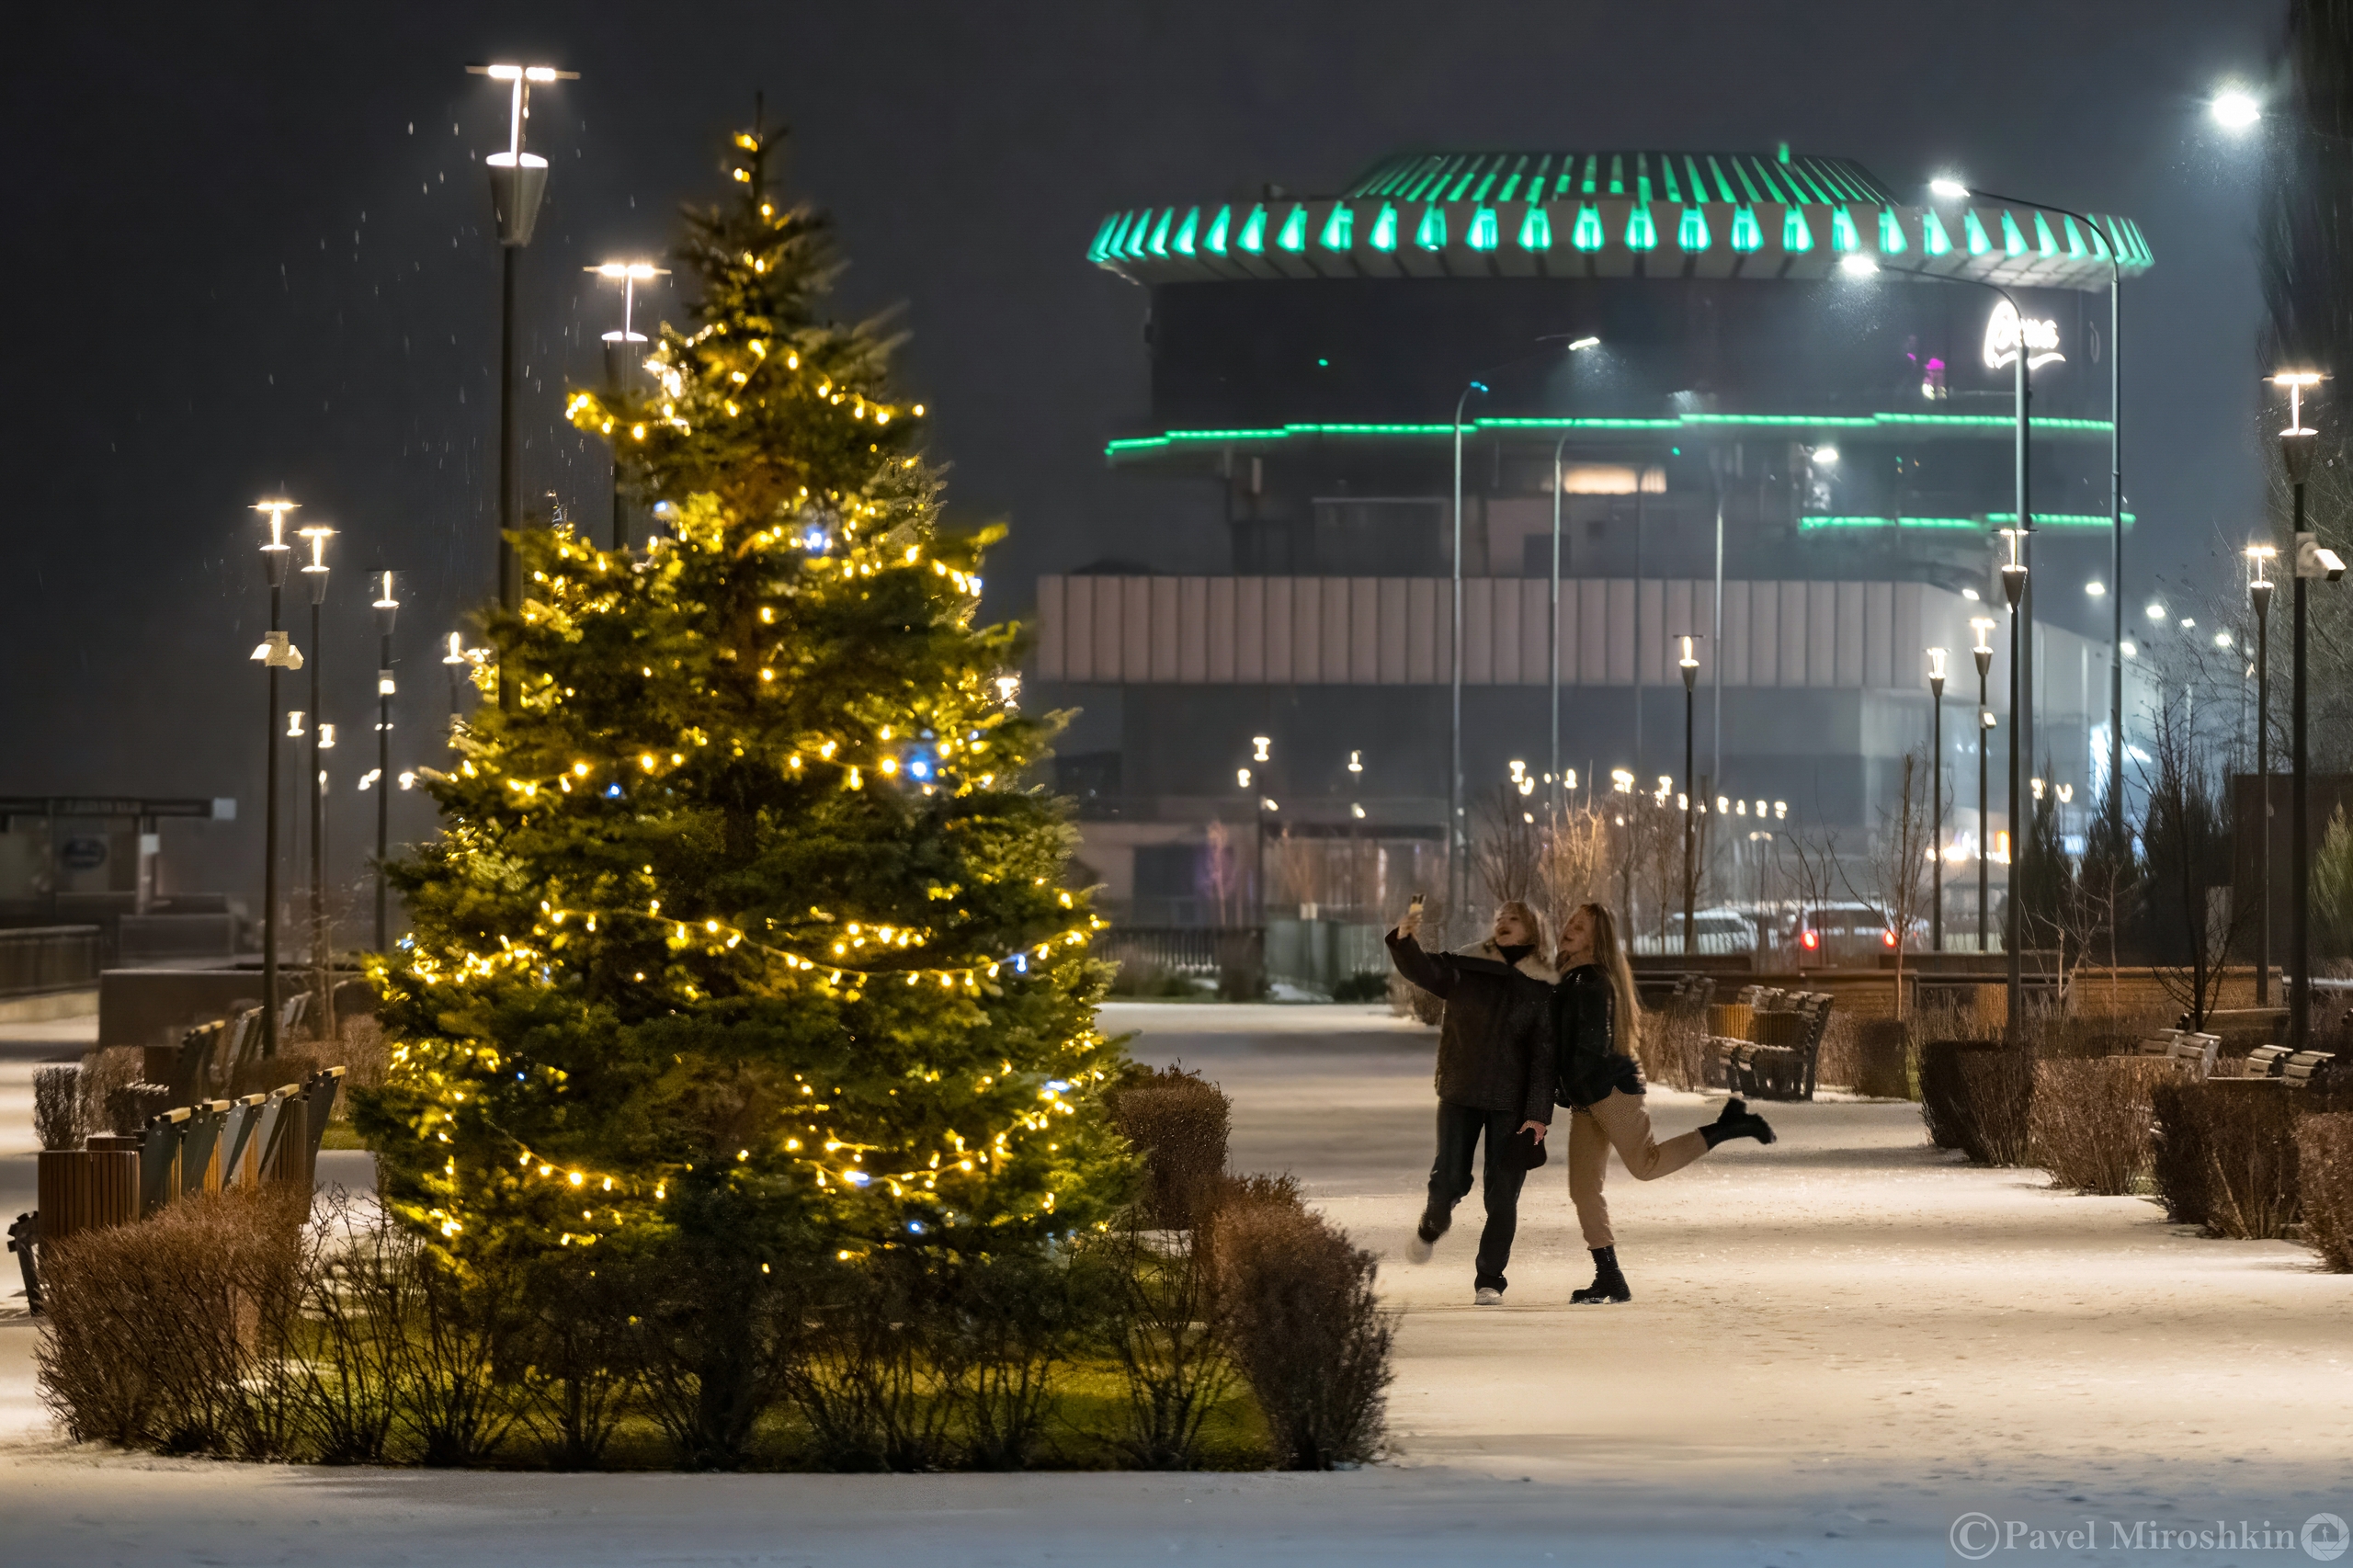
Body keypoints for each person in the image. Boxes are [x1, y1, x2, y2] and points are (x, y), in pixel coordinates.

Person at [1552, 901, 1776, 1304]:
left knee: (1645, 1164)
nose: (1569, 928)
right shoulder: (1570, 976)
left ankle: (1726, 1126)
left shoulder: (1591, 981)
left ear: (1595, 939)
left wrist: (1567, 1083)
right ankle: (1610, 1278)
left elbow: (1589, 1046)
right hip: (1588, 1097)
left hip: (1610, 1091)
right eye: (1570, 921)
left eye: (1580, 926)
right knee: (1583, 1189)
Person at [1387, 898, 1557, 1305]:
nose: (1503, 923)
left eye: (1513, 919)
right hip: (1461, 1090)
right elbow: (1424, 970)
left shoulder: (1543, 983)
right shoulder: (1467, 964)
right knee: (1448, 1180)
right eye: (1499, 917)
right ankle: (1432, 1224)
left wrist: (1537, 1114)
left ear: (1532, 930)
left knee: (1502, 1196)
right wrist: (1405, 940)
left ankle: (1490, 1279)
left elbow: (1544, 1054)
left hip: (1511, 1102)